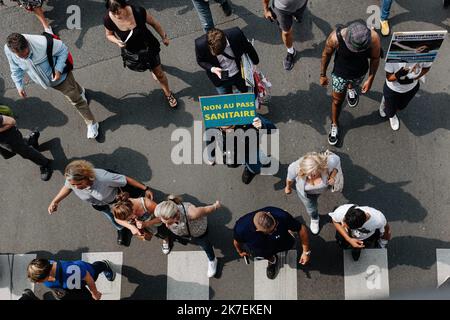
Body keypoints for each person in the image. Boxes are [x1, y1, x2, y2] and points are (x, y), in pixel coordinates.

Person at [4, 33, 100, 139]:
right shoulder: (9, 50)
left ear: (27, 43)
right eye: (20, 56)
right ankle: (81, 92)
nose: (24, 58)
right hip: (49, 82)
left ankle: (92, 123)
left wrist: (58, 69)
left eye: (26, 54)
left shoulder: (43, 43)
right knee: (74, 88)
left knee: (76, 101)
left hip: (62, 79)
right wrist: (19, 85)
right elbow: (15, 67)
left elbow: (63, 50)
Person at [48, 160, 155, 247]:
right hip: (98, 204)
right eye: (73, 185)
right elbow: (67, 187)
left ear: (87, 176)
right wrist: (55, 201)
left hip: (116, 200)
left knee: (126, 215)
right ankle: (121, 229)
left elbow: (126, 179)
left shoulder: (103, 178)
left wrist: (146, 188)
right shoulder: (72, 179)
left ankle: (140, 226)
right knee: (111, 217)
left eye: (78, 184)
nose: (75, 187)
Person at [104, 0, 177, 108]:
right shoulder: (108, 19)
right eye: (113, 12)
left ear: (124, 6)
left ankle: (168, 94)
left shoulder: (138, 11)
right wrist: (117, 41)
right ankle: (152, 68)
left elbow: (154, 23)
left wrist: (164, 37)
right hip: (133, 52)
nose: (116, 15)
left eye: (118, 12)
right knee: (149, 66)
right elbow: (109, 35)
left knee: (159, 74)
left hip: (149, 47)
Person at [320, 22, 381, 146]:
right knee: (337, 101)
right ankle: (334, 124)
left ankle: (350, 88)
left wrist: (370, 78)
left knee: (353, 84)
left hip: (359, 73)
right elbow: (326, 54)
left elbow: (375, 58)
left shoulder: (373, 37)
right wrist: (322, 75)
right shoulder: (335, 38)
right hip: (340, 75)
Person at [233, 207, 311, 279]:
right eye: (271, 231)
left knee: (289, 243)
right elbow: (237, 241)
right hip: (264, 249)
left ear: (269, 214)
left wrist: (306, 252)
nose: (275, 230)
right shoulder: (241, 228)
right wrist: (240, 251)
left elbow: (301, 228)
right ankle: (272, 261)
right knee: (265, 254)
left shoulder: (281, 216)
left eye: (275, 225)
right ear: (258, 230)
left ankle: (289, 232)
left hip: (283, 240)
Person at [154, 195, 221, 278]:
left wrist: (215, 206)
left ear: (176, 215)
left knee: (205, 245)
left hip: (199, 232)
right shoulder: (167, 215)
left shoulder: (192, 213)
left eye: (169, 223)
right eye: (165, 223)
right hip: (187, 232)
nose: (167, 226)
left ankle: (212, 260)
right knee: (198, 242)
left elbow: (205, 210)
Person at [206, 115, 277, 184]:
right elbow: (209, 137)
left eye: (231, 126)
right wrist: (211, 156)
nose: (229, 131)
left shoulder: (248, 117)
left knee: (256, 168)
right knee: (235, 162)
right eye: (224, 129)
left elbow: (273, 129)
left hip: (250, 150)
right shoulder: (212, 122)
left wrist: (262, 126)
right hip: (233, 154)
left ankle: (252, 169)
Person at [285, 151, 341, 235]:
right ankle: (315, 218)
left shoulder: (328, 162)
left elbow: (337, 161)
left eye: (314, 174)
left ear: (321, 168)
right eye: (307, 174)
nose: (310, 177)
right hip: (307, 194)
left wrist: (332, 176)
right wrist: (288, 187)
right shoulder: (295, 167)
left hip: (322, 190)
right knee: (311, 209)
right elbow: (289, 178)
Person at [195, 27, 259, 95]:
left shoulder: (236, 34)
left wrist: (255, 63)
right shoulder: (200, 44)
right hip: (220, 77)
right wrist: (213, 69)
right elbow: (200, 61)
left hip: (240, 73)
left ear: (225, 44)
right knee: (227, 102)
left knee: (250, 95)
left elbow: (248, 47)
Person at [0, 108, 52, 181]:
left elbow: (11, 121)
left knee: (25, 152)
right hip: (4, 141)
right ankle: (31, 139)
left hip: (10, 138)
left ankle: (45, 163)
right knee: (14, 150)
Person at [27, 258, 115, 300]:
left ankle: (104, 265)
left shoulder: (69, 270)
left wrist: (94, 292)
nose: (38, 283)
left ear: (47, 274)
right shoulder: (44, 266)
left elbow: (88, 278)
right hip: (72, 285)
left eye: (39, 281)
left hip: (86, 274)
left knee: (96, 268)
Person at [380, 62, 431, 130]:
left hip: (411, 88)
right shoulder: (394, 55)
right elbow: (389, 77)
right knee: (390, 110)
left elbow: (427, 68)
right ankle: (391, 115)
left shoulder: (426, 52)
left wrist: (415, 77)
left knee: (401, 106)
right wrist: (399, 74)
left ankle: (387, 101)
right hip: (393, 89)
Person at [261, 0, 308, 70]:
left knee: (299, 14)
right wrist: (266, 9)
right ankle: (291, 51)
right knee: (286, 33)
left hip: (301, 4)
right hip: (282, 9)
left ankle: (298, 16)